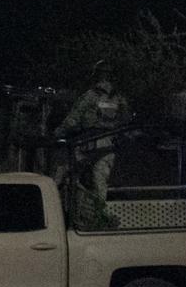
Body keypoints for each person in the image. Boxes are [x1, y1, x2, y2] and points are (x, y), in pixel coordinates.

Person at [55, 61, 131, 203]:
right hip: (108, 144)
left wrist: (58, 132)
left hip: (88, 141)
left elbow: (73, 119)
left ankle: (54, 202)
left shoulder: (90, 95)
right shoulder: (120, 99)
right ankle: (97, 214)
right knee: (100, 182)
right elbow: (125, 120)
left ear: (96, 75)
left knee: (63, 171)